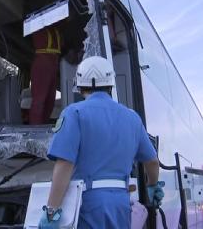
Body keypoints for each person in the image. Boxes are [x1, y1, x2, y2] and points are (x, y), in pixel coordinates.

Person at [38, 56, 163, 229]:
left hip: (87, 203)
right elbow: (152, 162)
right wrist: (153, 186)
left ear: (80, 86)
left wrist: (51, 212)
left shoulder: (74, 113)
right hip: (121, 203)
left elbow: (64, 164)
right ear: (111, 83)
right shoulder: (132, 118)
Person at [29, 24, 62, 125]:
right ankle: (35, 131)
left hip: (54, 62)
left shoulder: (56, 28)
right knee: (40, 99)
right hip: (43, 60)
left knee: (50, 100)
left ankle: (42, 127)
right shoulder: (37, 24)